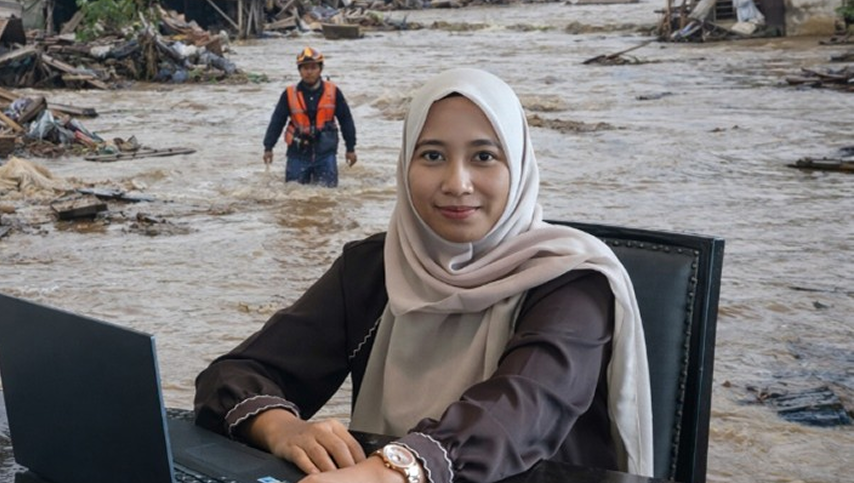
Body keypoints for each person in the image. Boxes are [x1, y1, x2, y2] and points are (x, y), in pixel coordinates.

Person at [198, 68, 653, 483]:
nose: (457, 183)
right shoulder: (375, 269)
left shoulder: (571, 280)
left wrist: (391, 473)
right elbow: (235, 372)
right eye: (432, 155)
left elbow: (520, 410)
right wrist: (281, 428)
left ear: (518, 165)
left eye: (484, 157)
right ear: (404, 165)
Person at [262, 47, 357, 187]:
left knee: (328, 197)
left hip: (325, 153)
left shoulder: (333, 92)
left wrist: (350, 148)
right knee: (294, 195)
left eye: (313, 67)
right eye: (305, 68)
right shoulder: (289, 94)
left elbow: (346, 120)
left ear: (320, 69)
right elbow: (277, 121)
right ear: (299, 70)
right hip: (297, 153)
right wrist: (268, 147)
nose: (309, 72)